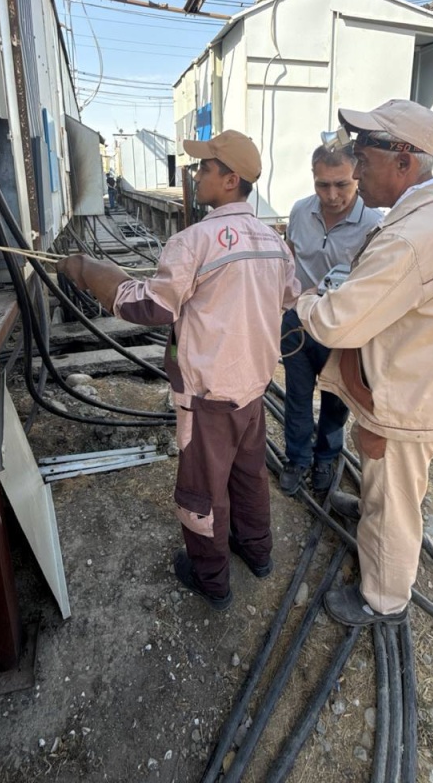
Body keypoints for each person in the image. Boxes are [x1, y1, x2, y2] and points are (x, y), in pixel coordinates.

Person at [57, 130, 300, 611]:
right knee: (249, 476)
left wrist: (93, 274)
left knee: (201, 492)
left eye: (204, 168)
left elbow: (151, 307)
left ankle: (211, 579)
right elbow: (289, 297)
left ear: (230, 180)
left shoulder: (194, 241)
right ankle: (258, 553)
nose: (195, 174)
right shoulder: (275, 242)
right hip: (252, 389)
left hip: (208, 396)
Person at [296, 99, 433, 626]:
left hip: (407, 394)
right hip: (430, 375)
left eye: (364, 158)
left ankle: (382, 598)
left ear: (404, 162)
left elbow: (337, 322)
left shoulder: (409, 237)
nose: (355, 169)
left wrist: (304, 301)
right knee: (393, 485)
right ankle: (371, 521)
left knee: (394, 498)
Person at [279, 144, 381, 496]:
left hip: (343, 330)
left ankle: (326, 457)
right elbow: (290, 258)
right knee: (296, 397)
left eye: (342, 185)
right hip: (298, 325)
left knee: (337, 401)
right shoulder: (299, 212)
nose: (332, 195)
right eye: (324, 185)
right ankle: (297, 458)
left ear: (357, 178)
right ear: (313, 179)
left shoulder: (374, 223)